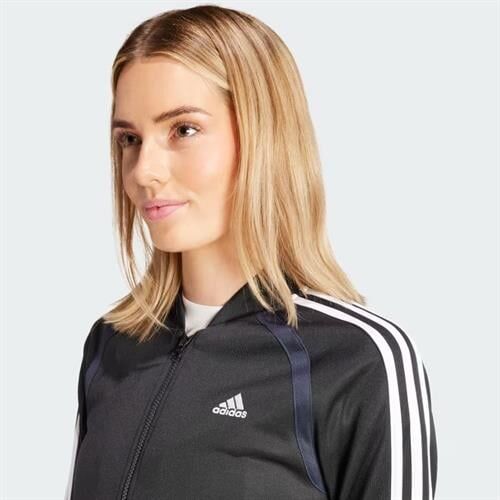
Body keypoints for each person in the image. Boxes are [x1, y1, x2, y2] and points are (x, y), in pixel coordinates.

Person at [64, 4, 438, 500]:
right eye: (130, 138)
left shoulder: (359, 360)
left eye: (183, 130)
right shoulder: (110, 347)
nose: (142, 171)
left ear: (263, 135)